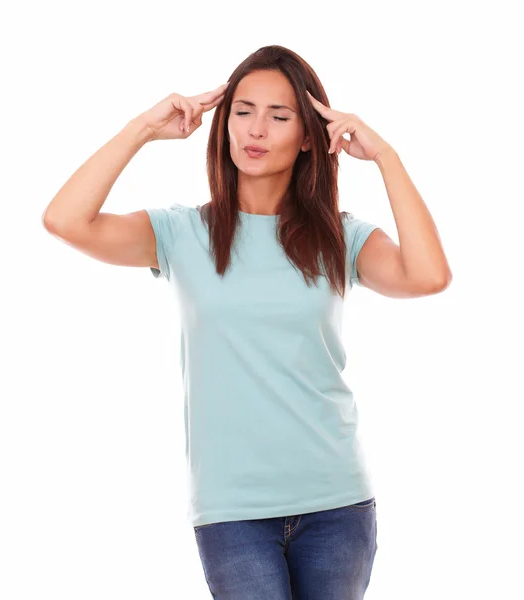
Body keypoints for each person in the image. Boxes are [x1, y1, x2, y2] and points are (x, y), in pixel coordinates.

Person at [42, 45, 451, 600]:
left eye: (279, 116)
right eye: (242, 110)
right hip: (232, 511)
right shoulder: (180, 233)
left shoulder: (341, 237)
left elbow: (428, 276)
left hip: (336, 503)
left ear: (309, 135)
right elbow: (64, 219)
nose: (256, 129)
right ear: (224, 122)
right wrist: (143, 128)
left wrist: (387, 158)